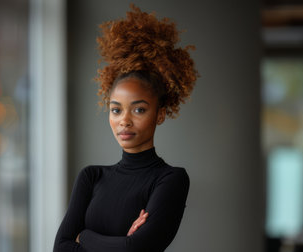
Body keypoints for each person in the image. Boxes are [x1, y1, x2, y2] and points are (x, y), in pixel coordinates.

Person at [54, 4, 198, 252]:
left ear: (160, 114)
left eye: (139, 109)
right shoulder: (91, 177)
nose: (125, 120)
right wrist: (121, 243)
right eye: (116, 109)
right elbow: (60, 248)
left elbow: (136, 249)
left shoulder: (171, 179)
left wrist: (84, 236)